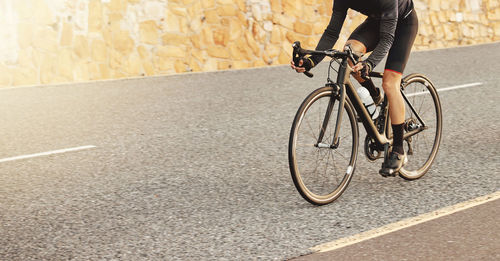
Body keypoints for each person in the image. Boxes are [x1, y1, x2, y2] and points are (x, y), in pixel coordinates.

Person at [291, 0, 418, 176]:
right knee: (350, 57)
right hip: (376, 22)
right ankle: (375, 97)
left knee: (390, 82)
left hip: (403, 24)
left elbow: (388, 38)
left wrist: (370, 64)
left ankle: (398, 149)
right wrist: (311, 61)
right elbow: (332, 32)